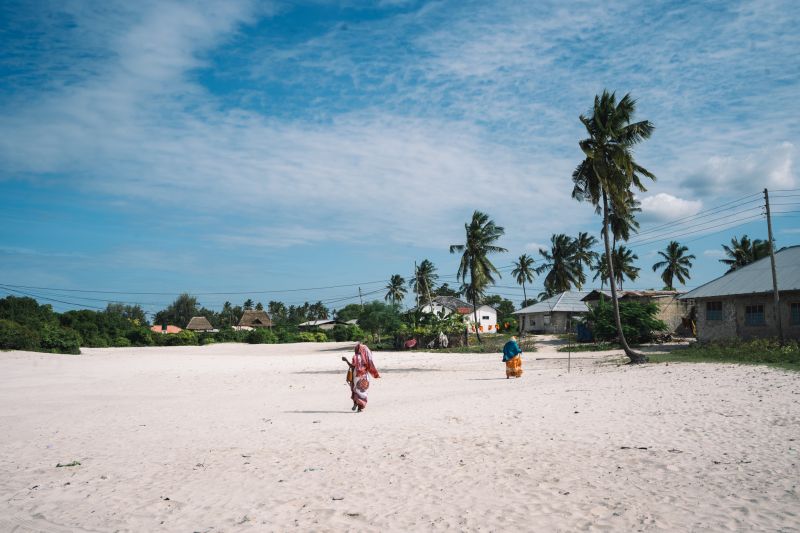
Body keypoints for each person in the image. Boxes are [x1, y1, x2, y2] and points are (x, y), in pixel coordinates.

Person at [342, 342, 380, 412]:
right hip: (365, 377)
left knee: (356, 389)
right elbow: (370, 367)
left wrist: (346, 360)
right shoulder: (366, 357)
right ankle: (360, 407)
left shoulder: (355, 357)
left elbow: (352, 366)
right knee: (363, 391)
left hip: (356, 376)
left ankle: (356, 403)